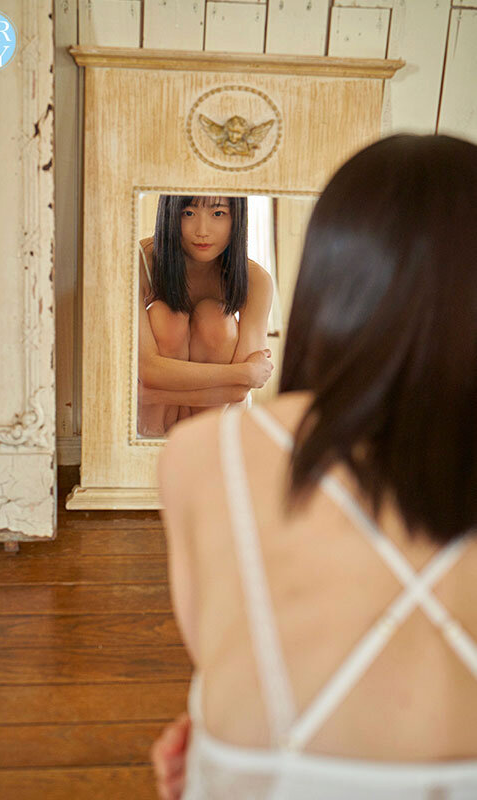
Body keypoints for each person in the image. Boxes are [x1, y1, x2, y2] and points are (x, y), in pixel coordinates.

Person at [151, 134, 477, 798]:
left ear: (330, 274)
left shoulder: (199, 457)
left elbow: (222, 644)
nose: (203, 225)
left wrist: (220, 741)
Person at [138, 194, 274, 436]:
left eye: (218, 213)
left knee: (217, 319)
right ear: (170, 215)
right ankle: (151, 436)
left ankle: (204, 437)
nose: (202, 231)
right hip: (154, 417)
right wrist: (244, 372)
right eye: (188, 213)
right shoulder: (140, 262)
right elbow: (147, 370)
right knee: (166, 315)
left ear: (236, 217)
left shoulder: (256, 279)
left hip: (217, 417)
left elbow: (239, 392)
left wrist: (152, 393)